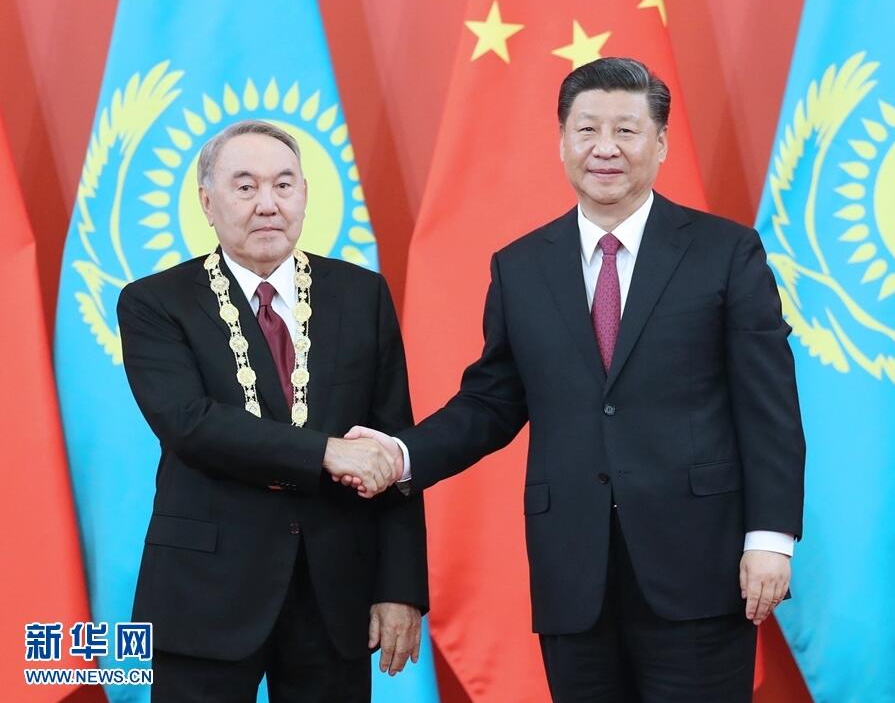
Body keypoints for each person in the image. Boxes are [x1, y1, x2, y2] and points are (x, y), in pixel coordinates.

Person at [345, 57, 805, 702]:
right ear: (562, 142)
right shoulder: (520, 267)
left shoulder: (726, 252)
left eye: (626, 130)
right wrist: (401, 454)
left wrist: (771, 539)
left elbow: (770, 408)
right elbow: (491, 402)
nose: (605, 148)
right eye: (587, 130)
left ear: (660, 143)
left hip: (702, 567)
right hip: (573, 574)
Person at [117, 120, 428, 702]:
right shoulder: (155, 302)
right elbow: (191, 424)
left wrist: (400, 587)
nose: (268, 204)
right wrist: (327, 452)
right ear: (207, 202)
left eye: (284, 185)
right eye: (245, 187)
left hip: (333, 594)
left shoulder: (361, 295)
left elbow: (393, 445)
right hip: (205, 593)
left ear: (305, 195)